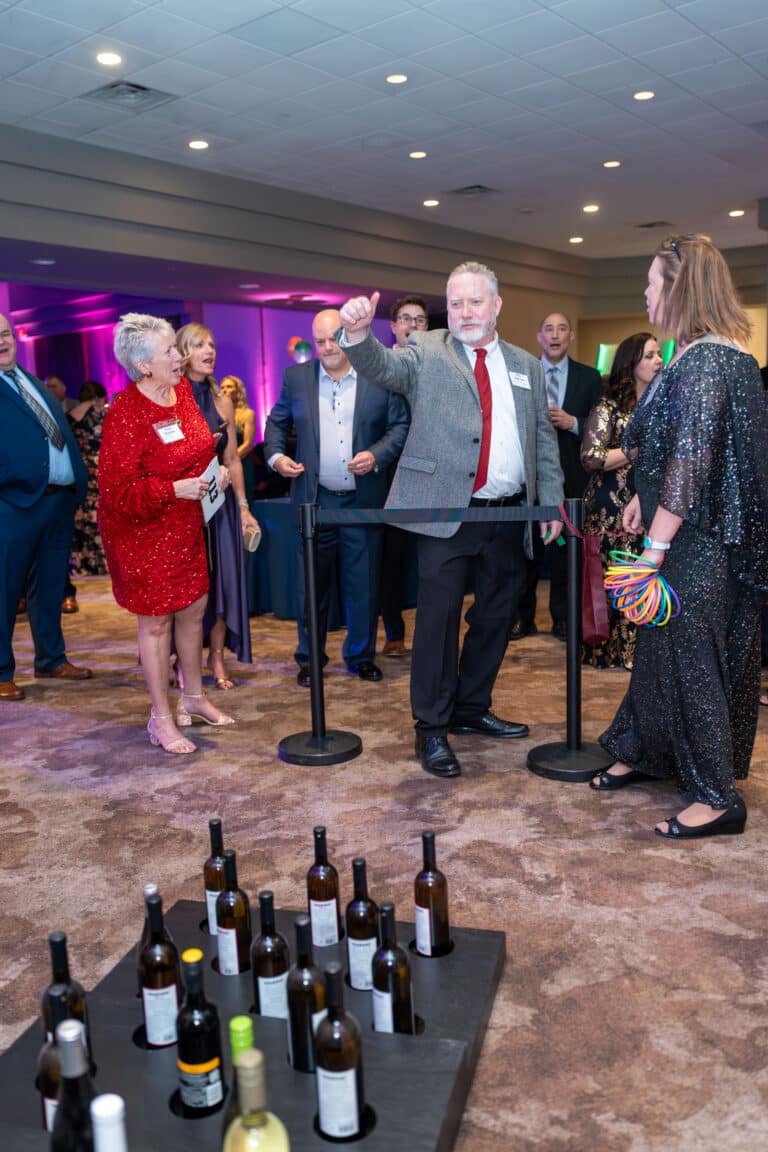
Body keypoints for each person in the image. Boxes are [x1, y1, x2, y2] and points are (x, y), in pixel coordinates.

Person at [338, 262, 564, 779]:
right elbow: (383, 368)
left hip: (509, 512)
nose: (464, 312)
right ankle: (432, 728)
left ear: (496, 305)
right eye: (456, 303)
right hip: (443, 512)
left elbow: (541, 439)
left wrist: (549, 501)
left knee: (496, 616)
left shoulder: (525, 365)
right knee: (437, 623)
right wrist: (358, 335)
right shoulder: (426, 348)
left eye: (475, 302)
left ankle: (472, 707)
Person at [592, 234, 768, 839]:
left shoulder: (706, 363)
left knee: (693, 658)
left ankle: (717, 797)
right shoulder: (717, 357)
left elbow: (693, 463)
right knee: (661, 649)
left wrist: (655, 547)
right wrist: (643, 499)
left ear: (680, 288)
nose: (645, 294)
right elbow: (681, 450)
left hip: (698, 540)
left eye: (651, 283)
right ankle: (646, 750)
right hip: (700, 531)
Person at [98, 313, 234, 753]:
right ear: (142, 365)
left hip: (185, 524)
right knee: (156, 623)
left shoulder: (183, 394)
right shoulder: (125, 413)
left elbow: (195, 450)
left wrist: (214, 474)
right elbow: (117, 492)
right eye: (170, 351)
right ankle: (160, 718)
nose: (180, 357)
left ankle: (192, 697)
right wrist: (174, 489)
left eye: (177, 348)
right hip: (142, 534)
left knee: (194, 609)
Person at [263, 308, 409, 686]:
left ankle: (360, 656)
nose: (327, 347)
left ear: (347, 336)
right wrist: (276, 458)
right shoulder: (296, 378)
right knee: (311, 588)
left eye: (334, 339)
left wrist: (376, 455)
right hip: (314, 502)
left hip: (362, 501)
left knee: (363, 584)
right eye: (320, 341)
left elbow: (399, 426)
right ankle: (310, 659)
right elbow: (276, 423)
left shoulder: (378, 374)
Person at [0, 315, 91, 701]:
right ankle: (1, 671)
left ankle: (51, 658)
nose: (2, 341)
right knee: (5, 589)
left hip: (57, 499)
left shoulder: (29, 379)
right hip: (14, 501)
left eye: (5, 333)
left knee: (51, 584)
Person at [511, 313, 602, 641]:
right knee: (527, 551)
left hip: (572, 479)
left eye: (561, 329)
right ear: (539, 336)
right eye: (548, 329)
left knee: (566, 552)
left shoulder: (589, 377)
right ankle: (523, 617)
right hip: (529, 478)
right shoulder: (521, 373)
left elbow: (601, 425)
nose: (554, 335)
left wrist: (573, 422)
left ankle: (563, 618)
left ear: (570, 336)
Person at [177, 325, 258, 690]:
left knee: (222, 582)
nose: (209, 351)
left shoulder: (222, 401)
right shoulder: (170, 398)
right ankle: (184, 659)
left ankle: (217, 656)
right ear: (182, 352)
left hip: (219, 504)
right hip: (184, 504)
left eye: (211, 344)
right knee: (187, 588)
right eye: (199, 345)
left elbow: (233, 459)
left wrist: (243, 507)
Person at [580, 334, 663, 669]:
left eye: (659, 354)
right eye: (650, 355)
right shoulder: (609, 407)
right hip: (610, 509)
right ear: (631, 364)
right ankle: (609, 651)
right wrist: (635, 451)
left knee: (645, 579)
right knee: (612, 579)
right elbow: (591, 457)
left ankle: (640, 655)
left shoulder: (662, 405)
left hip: (653, 507)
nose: (659, 361)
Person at [379, 294, 430, 658]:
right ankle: (393, 632)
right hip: (389, 475)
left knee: (431, 561)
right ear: (394, 326)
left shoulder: (439, 368)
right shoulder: (379, 366)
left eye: (420, 320)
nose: (412, 325)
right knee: (391, 560)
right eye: (406, 319)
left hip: (430, 475)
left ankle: (430, 632)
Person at [67, 381, 109, 578]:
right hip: (99, 473)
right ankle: (101, 564)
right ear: (98, 398)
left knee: (82, 520)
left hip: (78, 475)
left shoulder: (69, 416)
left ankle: (82, 565)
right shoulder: (101, 414)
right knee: (99, 519)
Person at [220, 374, 257, 507]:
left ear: (238, 391)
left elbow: (248, 444)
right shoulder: (218, 414)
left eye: (229, 386)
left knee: (242, 506)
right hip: (221, 468)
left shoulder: (247, 414)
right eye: (222, 387)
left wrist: (229, 461)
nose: (225, 390)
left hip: (241, 464)